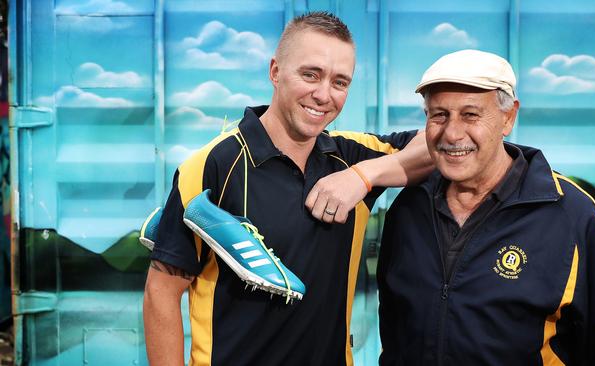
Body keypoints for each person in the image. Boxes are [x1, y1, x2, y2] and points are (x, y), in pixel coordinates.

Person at [143, 12, 431, 366]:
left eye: (340, 82)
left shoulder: (351, 156)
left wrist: (363, 177)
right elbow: (161, 291)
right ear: (276, 72)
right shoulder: (211, 166)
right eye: (310, 74)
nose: (324, 95)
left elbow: (441, 144)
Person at [377, 49, 595, 365]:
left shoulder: (571, 213)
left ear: (508, 117)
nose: (451, 133)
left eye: (470, 114)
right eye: (439, 114)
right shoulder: (409, 206)